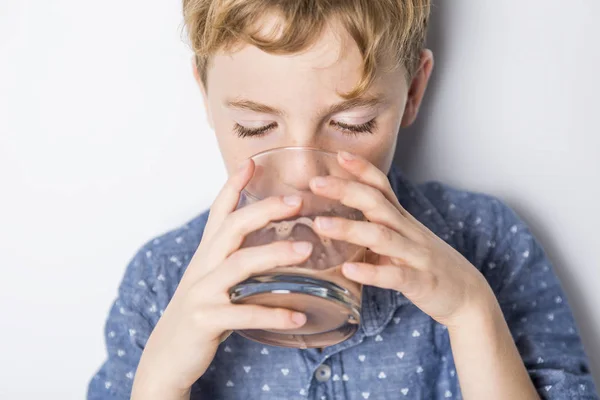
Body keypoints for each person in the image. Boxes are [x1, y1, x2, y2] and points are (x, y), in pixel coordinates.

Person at [87, 0, 598, 399]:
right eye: (255, 126)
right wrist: (159, 388)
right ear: (205, 97)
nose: (303, 174)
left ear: (413, 92)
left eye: (352, 125)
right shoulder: (161, 283)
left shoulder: (488, 244)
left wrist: (470, 313)